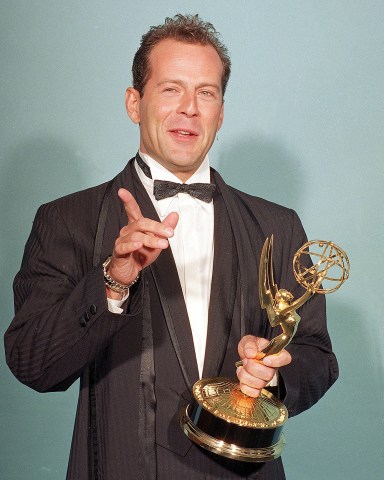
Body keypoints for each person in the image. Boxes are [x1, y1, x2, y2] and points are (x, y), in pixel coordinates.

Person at [4, 14, 338, 480]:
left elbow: (318, 358)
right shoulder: (67, 220)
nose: (189, 109)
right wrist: (113, 279)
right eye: (170, 89)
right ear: (133, 103)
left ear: (221, 112)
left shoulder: (278, 226)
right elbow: (33, 364)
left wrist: (274, 375)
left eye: (206, 93)